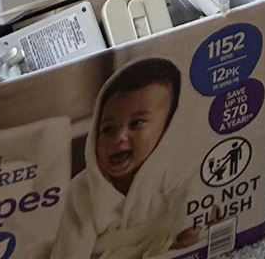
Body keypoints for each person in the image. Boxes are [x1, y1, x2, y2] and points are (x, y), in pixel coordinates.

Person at [53, 57, 194, 259]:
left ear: (167, 130)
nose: (119, 137)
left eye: (136, 123)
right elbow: (69, 251)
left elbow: (193, 201)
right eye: (107, 128)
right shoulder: (83, 190)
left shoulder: (174, 172)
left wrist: (190, 227)